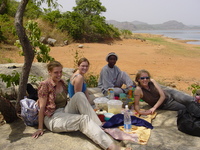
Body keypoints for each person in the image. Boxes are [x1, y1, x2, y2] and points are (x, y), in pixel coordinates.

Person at [32, 60, 120, 150]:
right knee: (83, 119)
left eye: (60, 72)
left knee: (79, 94)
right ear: (49, 72)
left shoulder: (61, 82)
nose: (59, 74)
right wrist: (40, 128)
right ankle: (111, 147)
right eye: (56, 72)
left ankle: (99, 127)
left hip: (64, 110)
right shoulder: (45, 85)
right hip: (53, 117)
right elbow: (41, 108)